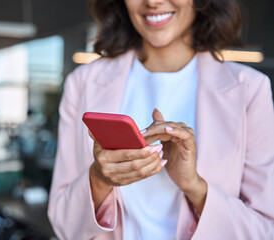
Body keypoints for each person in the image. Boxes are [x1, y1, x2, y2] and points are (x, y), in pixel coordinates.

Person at [47, 0, 274, 239]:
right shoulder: (82, 83)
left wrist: (194, 186)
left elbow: (264, 230)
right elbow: (63, 224)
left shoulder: (250, 89)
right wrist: (99, 179)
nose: (152, 2)